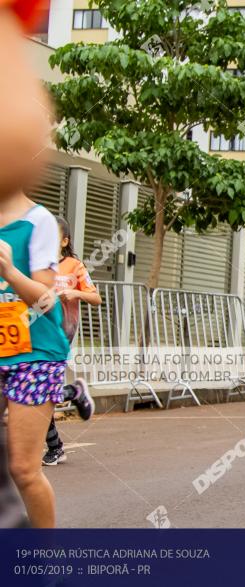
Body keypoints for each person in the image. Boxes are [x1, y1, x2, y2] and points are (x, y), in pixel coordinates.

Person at [0, 0, 57, 529]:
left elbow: (45, 300)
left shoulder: (37, 222)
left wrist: (9, 271)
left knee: (22, 466)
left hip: (33, 352)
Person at [42, 217, 99, 466]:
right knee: (36, 392)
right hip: (33, 334)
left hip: (60, 335)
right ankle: (72, 394)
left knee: (39, 392)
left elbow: (95, 297)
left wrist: (74, 292)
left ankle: (55, 446)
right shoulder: (37, 265)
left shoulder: (74, 266)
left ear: (64, 242)